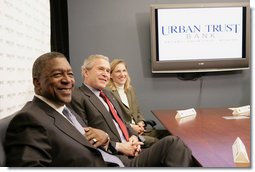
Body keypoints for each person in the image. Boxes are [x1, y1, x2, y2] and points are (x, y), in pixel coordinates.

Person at [70, 54, 195, 167]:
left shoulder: (107, 94)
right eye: (101, 69)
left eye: (108, 71)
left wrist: (134, 138)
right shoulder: (77, 96)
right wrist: (119, 147)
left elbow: (122, 123)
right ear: (86, 72)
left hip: (132, 150)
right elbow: (84, 138)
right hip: (117, 158)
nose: (105, 74)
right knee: (173, 142)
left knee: (184, 149)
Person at [4, 52, 124, 167]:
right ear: (37, 83)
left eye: (70, 74)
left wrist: (105, 137)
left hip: (112, 161)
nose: (67, 80)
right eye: (57, 74)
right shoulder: (28, 120)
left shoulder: (64, 110)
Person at [106, 59, 169, 148]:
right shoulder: (107, 92)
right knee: (159, 143)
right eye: (118, 71)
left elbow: (137, 112)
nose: (122, 74)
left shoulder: (130, 89)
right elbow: (113, 119)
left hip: (139, 129)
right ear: (111, 75)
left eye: (124, 71)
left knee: (168, 134)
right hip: (127, 134)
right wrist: (132, 127)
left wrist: (141, 122)